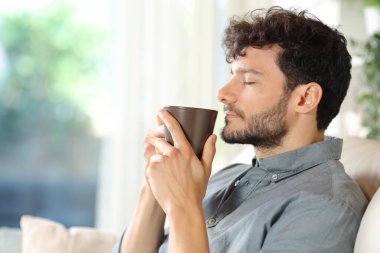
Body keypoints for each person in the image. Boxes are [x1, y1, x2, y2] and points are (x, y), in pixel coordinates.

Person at [113, 6, 368, 253]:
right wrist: (155, 183)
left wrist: (183, 204)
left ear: (305, 98)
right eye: (232, 76)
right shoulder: (227, 176)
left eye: (248, 80)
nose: (222, 93)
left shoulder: (323, 206)